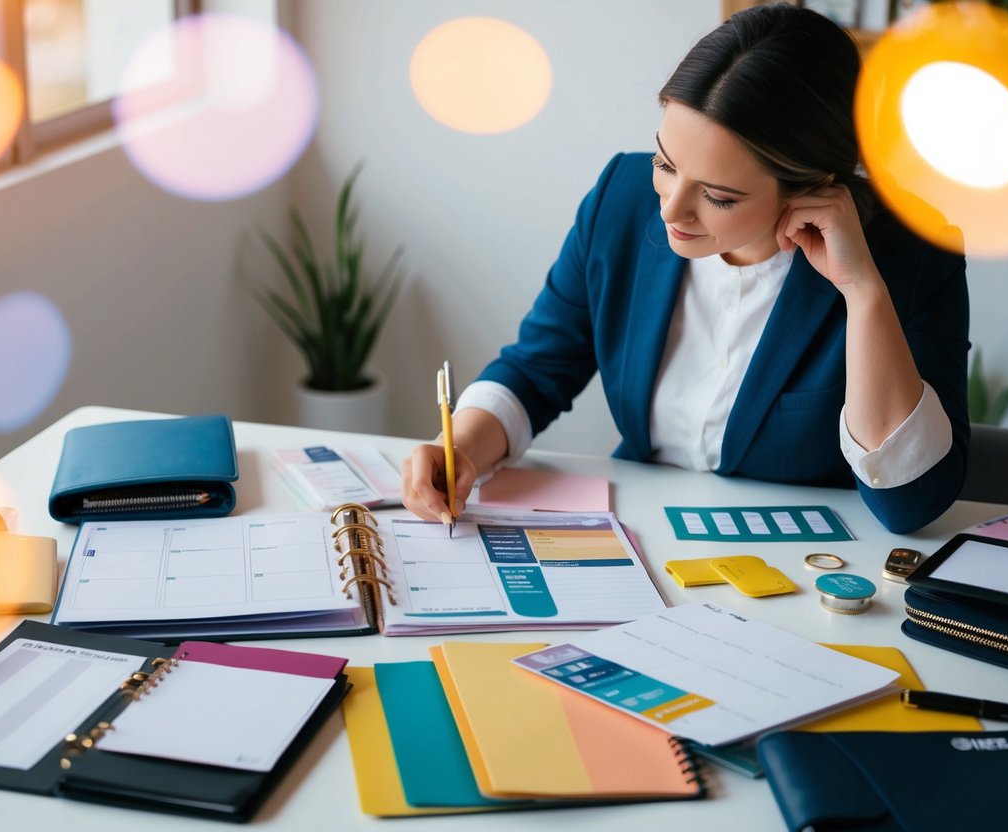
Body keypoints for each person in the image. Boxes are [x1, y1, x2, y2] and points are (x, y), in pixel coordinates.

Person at [402, 3, 969, 534]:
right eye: (665, 164)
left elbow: (909, 504)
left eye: (718, 197)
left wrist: (862, 291)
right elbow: (536, 369)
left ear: (816, 187)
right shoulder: (620, 201)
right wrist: (464, 449)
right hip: (645, 540)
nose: (670, 210)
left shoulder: (914, 254)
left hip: (808, 571)